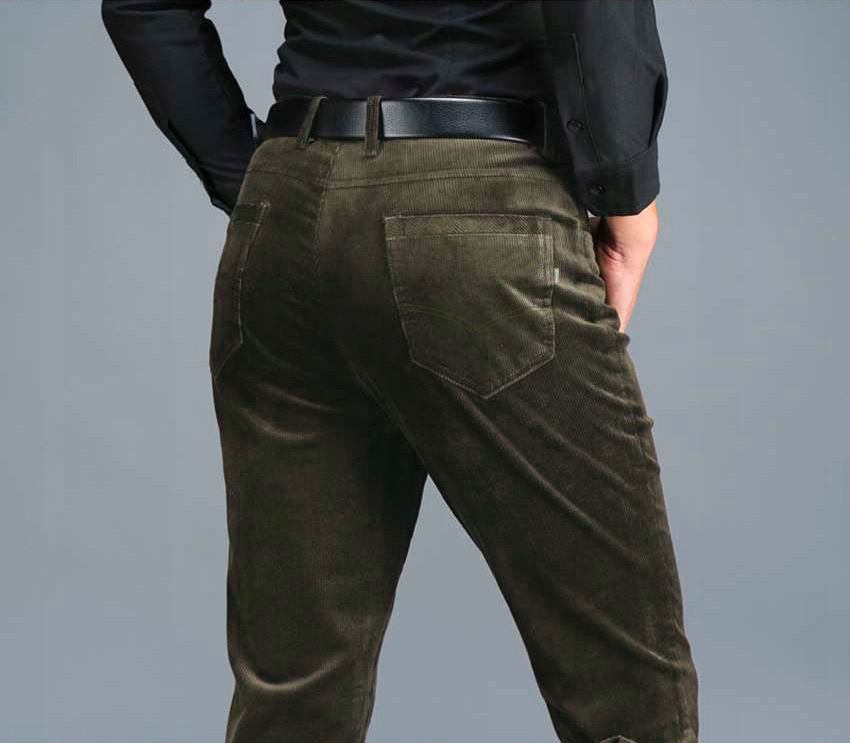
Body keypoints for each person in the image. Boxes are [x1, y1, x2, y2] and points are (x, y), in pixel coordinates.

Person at [101, 2, 699, 741]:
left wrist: (249, 174)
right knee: (627, 684)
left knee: (293, 693)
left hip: (285, 209)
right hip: (480, 200)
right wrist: (626, 188)